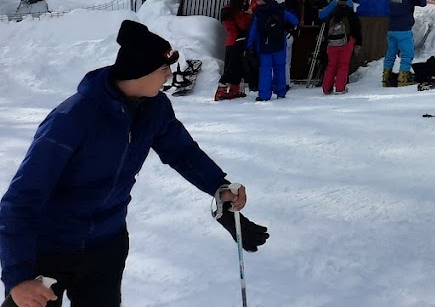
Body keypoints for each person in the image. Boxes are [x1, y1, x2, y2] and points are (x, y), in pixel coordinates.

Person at [0, 21, 261, 307]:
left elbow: (182, 152)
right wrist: (17, 277)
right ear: (141, 72)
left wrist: (218, 186)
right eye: (164, 70)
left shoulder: (155, 107)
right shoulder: (72, 119)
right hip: (50, 246)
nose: (169, 76)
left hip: (107, 245)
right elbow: (21, 199)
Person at [247, 0, 297, 102]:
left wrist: (249, 46)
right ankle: (280, 91)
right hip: (279, 43)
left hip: (264, 45)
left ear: (262, 0)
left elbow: (253, 31)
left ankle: (264, 95)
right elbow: (295, 20)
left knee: (265, 69)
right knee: (280, 68)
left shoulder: (259, 13)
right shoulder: (281, 10)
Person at [317, 0, 362, 95]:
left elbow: (322, 17)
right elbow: (356, 28)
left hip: (332, 43)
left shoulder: (332, 11)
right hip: (346, 41)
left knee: (331, 65)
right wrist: (358, 42)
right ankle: (340, 88)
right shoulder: (351, 10)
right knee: (343, 65)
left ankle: (326, 88)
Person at [384, 0, 427, 87]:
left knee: (390, 54)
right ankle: (403, 79)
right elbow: (423, 3)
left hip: (391, 29)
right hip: (404, 30)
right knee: (407, 54)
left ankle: (385, 78)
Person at [215, 0, 252, 101]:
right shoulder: (236, 12)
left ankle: (231, 90)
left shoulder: (226, 10)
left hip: (230, 41)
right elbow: (243, 24)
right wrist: (248, 14)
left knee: (232, 67)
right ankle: (223, 90)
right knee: (233, 67)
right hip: (237, 41)